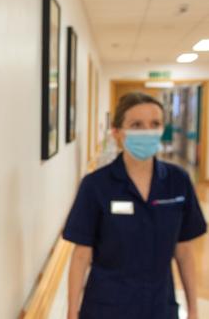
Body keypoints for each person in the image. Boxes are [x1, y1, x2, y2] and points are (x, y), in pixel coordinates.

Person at [63, 92, 207, 319]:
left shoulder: (177, 182)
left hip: (159, 306)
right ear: (117, 132)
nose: (147, 131)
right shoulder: (96, 185)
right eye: (137, 125)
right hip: (106, 308)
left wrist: (194, 311)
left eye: (155, 124)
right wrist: (72, 311)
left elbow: (184, 251)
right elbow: (81, 254)